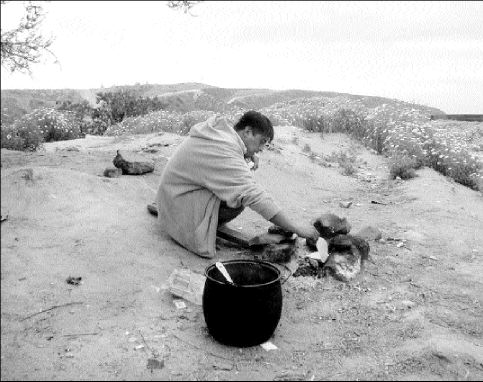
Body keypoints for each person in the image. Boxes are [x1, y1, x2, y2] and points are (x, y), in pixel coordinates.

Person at [155, 110, 319, 258]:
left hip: (172, 197)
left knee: (236, 191)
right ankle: (194, 231)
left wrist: (244, 155)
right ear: (247, 132)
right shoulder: (223, 148)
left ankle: (201, 221)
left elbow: (217, 166)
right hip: (176, 210)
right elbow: (253, 195)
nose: (262, 149)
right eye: (262, 141)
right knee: (238, 200)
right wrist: (296, 228)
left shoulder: (221, 135)